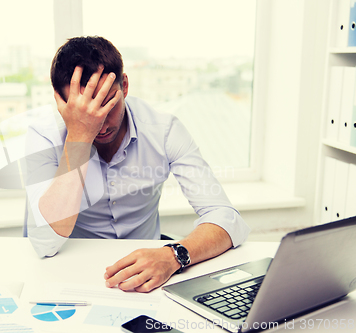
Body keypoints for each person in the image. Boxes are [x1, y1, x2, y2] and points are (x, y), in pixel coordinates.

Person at [24, 36, 250, 293]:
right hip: (72, 273)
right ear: (59, 100)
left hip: (150, 275)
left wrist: (173, 256)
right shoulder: (43, 136)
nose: (102, 123)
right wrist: (79, 136)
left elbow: (228, 219)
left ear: (125, 86)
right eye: (86, 110)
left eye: (108, 104)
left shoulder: (164, 130)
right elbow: (44, 243)